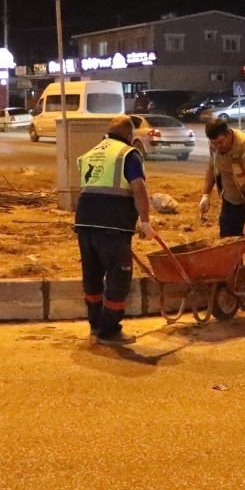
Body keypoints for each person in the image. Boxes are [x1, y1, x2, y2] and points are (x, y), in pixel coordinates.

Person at [74, 115, 153, 345]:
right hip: (113, 226)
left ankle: (96, 325)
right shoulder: (128, 154)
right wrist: (146, 222)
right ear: (129, 135)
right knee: (119, 278)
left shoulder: (91, 153)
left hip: (85, 224)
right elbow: (139, 189)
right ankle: (109, 331)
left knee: (92, 276)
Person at [199, 117, 245, 307]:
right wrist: (206, 194)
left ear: (228, 135)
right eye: (213, 143)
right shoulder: (215, 147)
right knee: (226, 247)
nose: (218, 147)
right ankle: (229, 291)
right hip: (230, 201)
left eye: (220, 142)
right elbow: (212, 168)